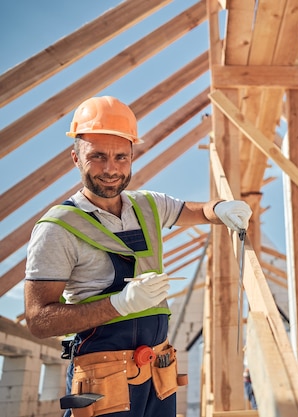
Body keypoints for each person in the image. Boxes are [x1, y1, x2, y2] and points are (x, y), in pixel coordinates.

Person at [23, 96, 252, 417]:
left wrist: (221, 209)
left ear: (132, 156)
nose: (110, 168)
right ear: (75, 157)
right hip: (103, 375)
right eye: (97, 157)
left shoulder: (149, 205)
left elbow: (195, 210)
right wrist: (118, 305)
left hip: (158, 369)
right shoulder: (57, 228)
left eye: (121, 157)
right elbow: (37, 320)